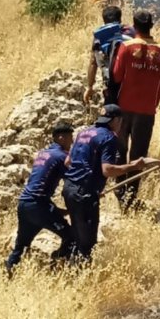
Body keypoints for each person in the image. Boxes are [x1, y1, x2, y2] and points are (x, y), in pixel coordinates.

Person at [110, 10, 160, 206]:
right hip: (147, 111)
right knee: (138, 155)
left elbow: (116, 77)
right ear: (152, 25)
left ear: (134, 25)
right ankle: (131, 197)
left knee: (120, 150)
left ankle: (119, 191)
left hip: (124, 107)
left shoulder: (126, 47)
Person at [62, 103, 144, 261]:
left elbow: (68, 162)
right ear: (116, 120)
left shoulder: (83, 133)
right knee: (87, 244)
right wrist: (133, 166)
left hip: (69, 190)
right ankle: (80, 276)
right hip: (84, 194)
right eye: (121, 122)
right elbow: (108, 170)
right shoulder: (109, 138)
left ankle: (71, 269)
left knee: (78, 235)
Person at [5, 121, 76, 274]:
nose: (72, 141)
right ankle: (57, 266)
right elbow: (74, 179)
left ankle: (7, 276)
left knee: (21, 246)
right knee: (71, 236)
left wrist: (56, 211)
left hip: (25, 204)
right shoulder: (62, 156)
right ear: (61, 137)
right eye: (71, 137)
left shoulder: (43, 154)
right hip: (39, 205)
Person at [83, 4, 135, 107]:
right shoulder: (130, 32)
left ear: (104, 20)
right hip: (132, 82)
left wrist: (89, 87)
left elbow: (93, 63)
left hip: (111, 84)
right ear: (120, 18)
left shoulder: (99, 37)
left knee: (113, 115)